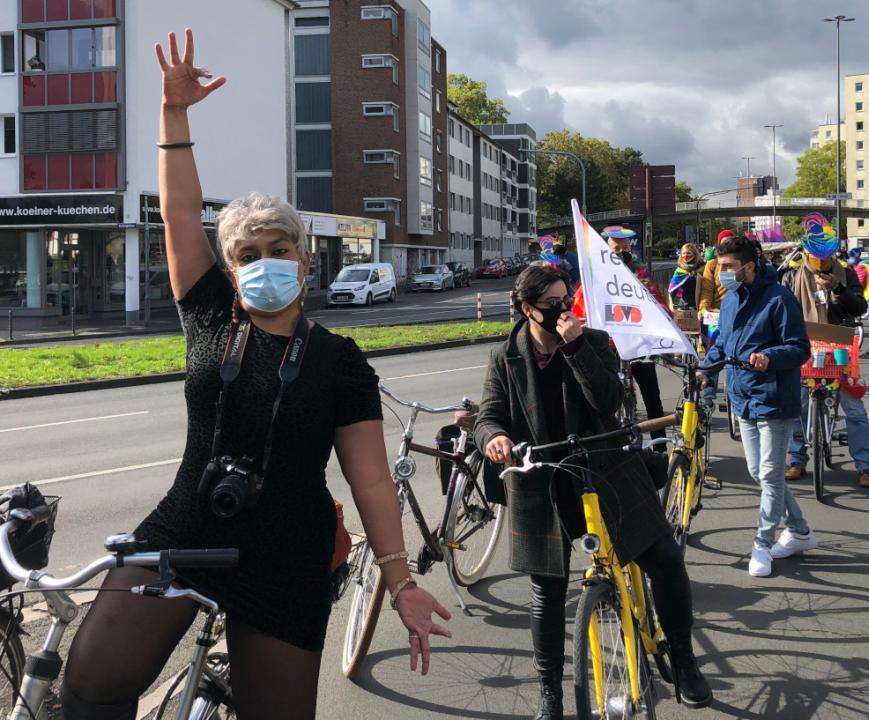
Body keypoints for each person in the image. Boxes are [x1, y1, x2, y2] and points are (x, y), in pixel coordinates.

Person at [60, 30, 451, 720]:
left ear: (304, 263)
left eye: (279, 249)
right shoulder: (210, 315)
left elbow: (367, 480)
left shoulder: (339, 360)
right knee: (91, 682)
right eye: (247, 252)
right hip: (184, 530)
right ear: (231, 267)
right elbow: (180, 212)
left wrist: (399, 580)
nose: (264, 260)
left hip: (287, 558)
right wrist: (173, 115)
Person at [476, 266, 713, 718]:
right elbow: (490, 413)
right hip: (543, 482)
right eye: (553, 305)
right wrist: (492, 438)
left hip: (608, 470)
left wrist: (576, 347)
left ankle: (683, 661)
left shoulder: (596, 342)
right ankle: (551, 693)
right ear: (528, 311)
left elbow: (608, 401)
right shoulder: (503, 356)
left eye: (568, 300)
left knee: (664, 559)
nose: (565, 310)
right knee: (546, 593)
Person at [697, 233, 814, 577]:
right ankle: (801, 531)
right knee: (758, 473)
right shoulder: (731, 298)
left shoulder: (780, 299)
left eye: (729, 267)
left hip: (773, 398)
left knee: (770, 474)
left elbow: (799, 347)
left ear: (749, 266)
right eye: (720, 267)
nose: (723, 274)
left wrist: (769, 357)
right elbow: (723, 345)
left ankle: (762, 543)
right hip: (741, 397)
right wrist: (706, 369)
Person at [780, 237, 869, 488]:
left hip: (839, 346)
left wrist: (839, 288)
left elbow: (859, 307)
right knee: (796, 404)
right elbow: (780, 310)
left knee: (854, 409)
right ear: (805, 253)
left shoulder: (845, 273)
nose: (820, 262)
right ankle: (797, 458)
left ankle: (865, 466)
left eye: (825, 257)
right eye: (815, 256)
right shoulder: (791, 277)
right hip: (803, 345)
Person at [571, 226, 668, 438]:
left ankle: (659, 448)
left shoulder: (640, 272)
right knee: (606, 398)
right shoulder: (594, 273)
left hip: (638, 344)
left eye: (625, 247)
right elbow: (580, 303)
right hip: (608, 346)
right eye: (616, 248)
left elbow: (656, 300)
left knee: (652, 397)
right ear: (606, 248)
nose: (622, 252)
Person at [668, 242, 703, 312]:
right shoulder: (679, 271)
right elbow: (672, 290)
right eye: (683, 253)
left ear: (695, 254)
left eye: (688, 253)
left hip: (701, 306)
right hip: (684, 307)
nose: (686, 255)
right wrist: (671, 306)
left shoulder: (703, 268)